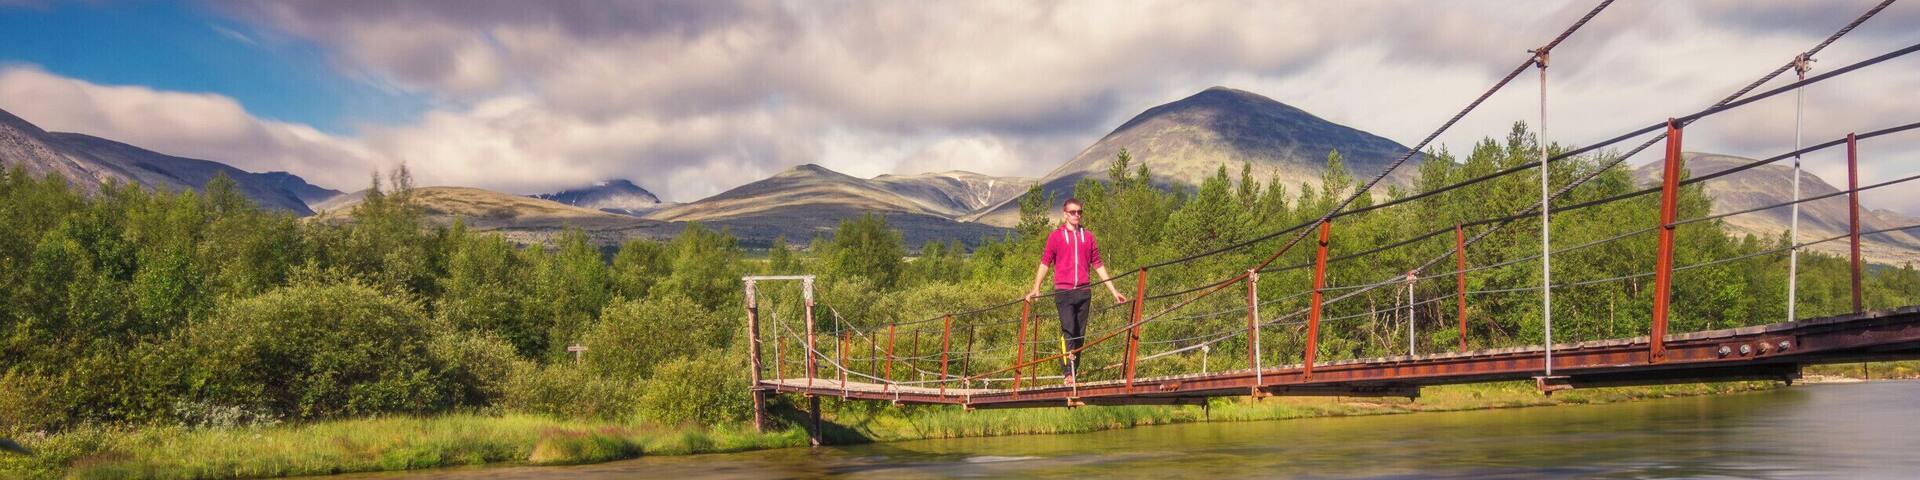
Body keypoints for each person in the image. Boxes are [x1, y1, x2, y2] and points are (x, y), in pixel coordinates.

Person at [1025, 197, 1128, 386]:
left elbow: (1098, 264)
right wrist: (1036, 287)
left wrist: (1114, 291)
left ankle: (1074, 370)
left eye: (1079, 212)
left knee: (1080, 334)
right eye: (1073, 212)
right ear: (1065, 214)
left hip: (1083, 292)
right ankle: (1067, 373)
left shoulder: (1088, 237)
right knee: (1069, 331)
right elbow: (1045, 262)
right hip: (1063, 293)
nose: (1077, 215)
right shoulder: (1055, 237)